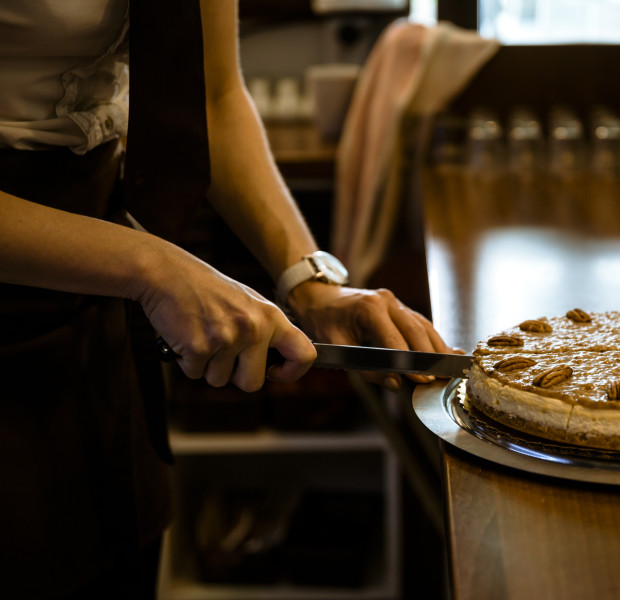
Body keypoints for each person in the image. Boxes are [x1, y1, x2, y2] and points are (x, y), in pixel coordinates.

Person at [0, 1, 454, 597]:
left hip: (93, 294)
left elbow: (212, 98)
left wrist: (310, 282)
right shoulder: (138, 266)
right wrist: (149, 265)